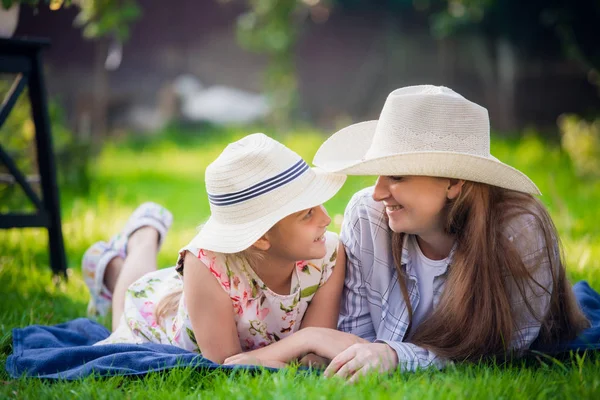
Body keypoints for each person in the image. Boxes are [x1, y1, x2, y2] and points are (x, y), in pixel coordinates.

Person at [305, 85, 589, 381]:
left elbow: (504, 350)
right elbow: (356, 335)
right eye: (379, 174)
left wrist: (395, 356)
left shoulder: (519, 232)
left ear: (453, 182)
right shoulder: (366, 216)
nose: (377, 193)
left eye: (397, 176)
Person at [82, 133, 359, 366]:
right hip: (156, 322)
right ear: (262, 237)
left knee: (163, 290)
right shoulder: (203, 264)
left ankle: (107, 264)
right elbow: (225, 363)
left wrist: (310, 343)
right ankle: (143, 235)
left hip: (200, 299)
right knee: (128, 313)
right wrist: (307, 339)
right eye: (308, 214)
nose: (326, 219)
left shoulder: (329, 255)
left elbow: (312, 358)